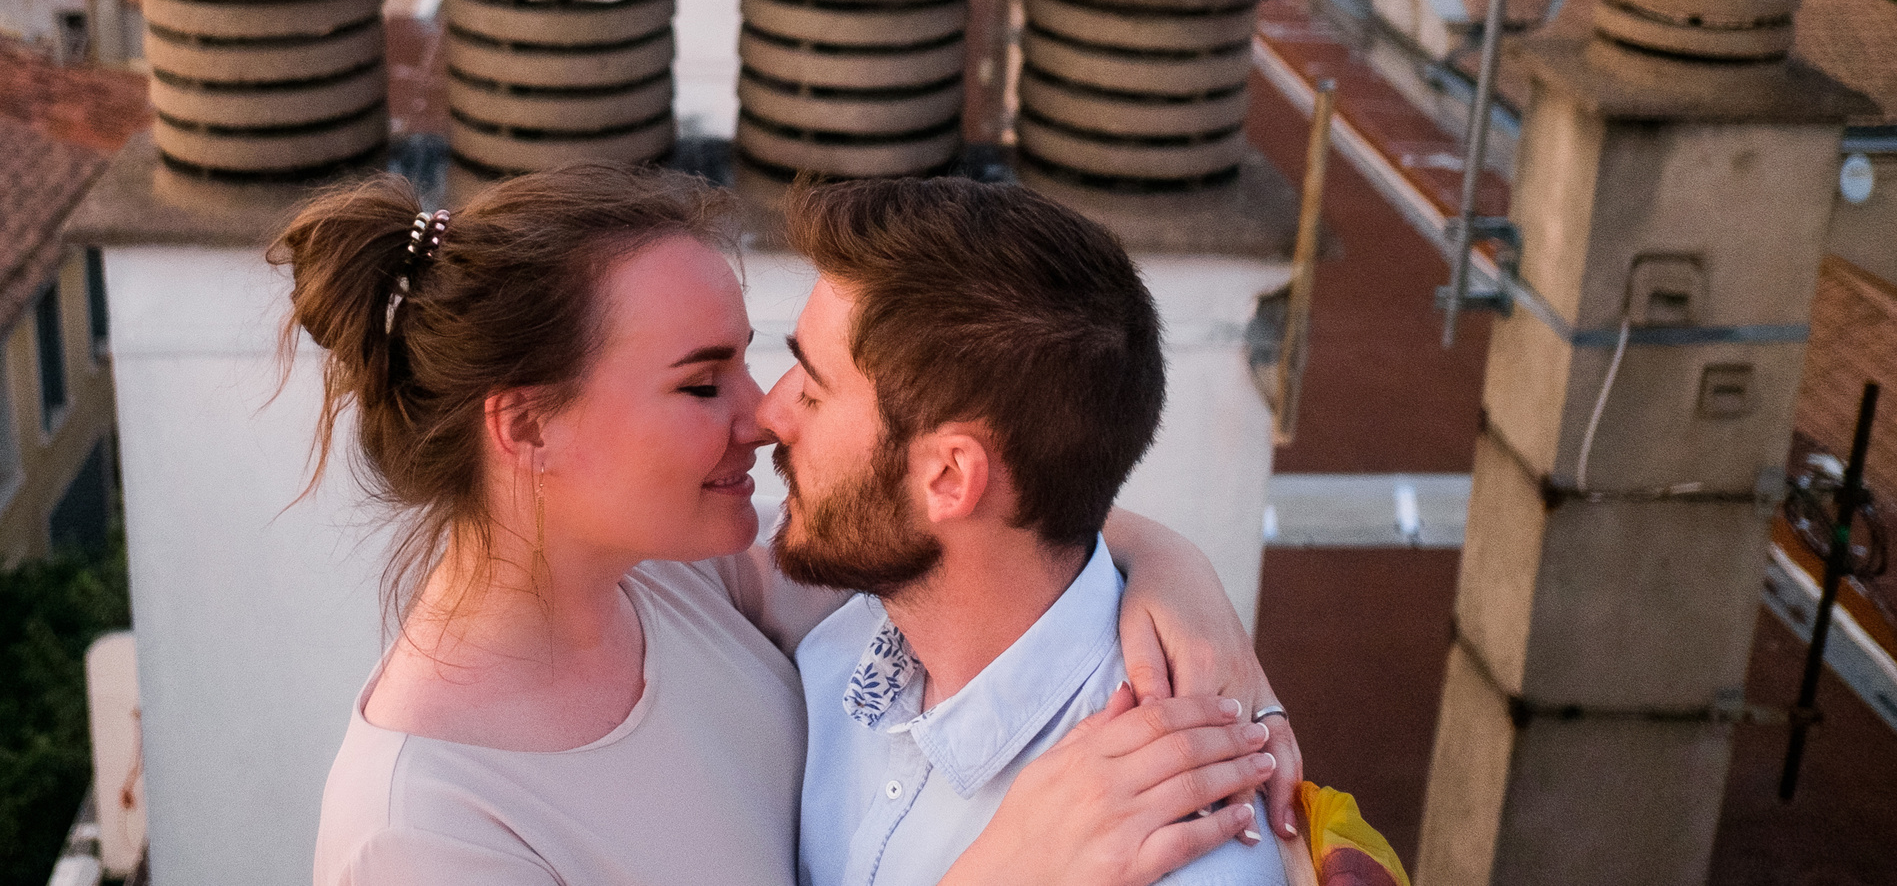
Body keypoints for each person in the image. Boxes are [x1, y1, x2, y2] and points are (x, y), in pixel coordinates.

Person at [283, 163, 1294, 886]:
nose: (760, 412)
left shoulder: (686, 583)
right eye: (699, 382)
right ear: (529, 426)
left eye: (760, 365)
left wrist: (1174, 570)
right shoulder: (420, 831)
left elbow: (983, 516)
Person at [767, 176, 1283, 886]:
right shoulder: (834, 645)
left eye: (813, 389)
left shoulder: (1181, 855)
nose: (771, 411)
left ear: (950, 476)